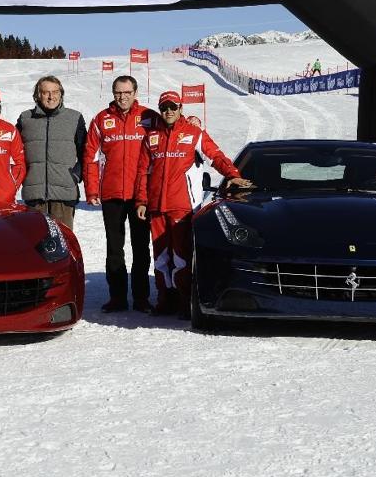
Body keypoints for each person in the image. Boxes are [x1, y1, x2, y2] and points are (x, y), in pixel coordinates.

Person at [135, 91, 252, 318]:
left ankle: (184, 301)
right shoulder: (151, 137)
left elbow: (216, 156)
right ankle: (163, 300)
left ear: (180, 108)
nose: (168, 111)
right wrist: (141, 200)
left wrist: (232, 174)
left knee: (181, 256)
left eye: (173, 107)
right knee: (160, 258)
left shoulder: (193, 132)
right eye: (164, 108)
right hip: (157, 207)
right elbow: (142, 173)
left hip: (183, 206)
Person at [84, 75, 159, 313]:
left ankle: (141, 297)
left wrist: (192, 121)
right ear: (113, 93)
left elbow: (168, 136)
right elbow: (90, 157)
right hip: (112, 194)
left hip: (141, 196)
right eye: (118, 92)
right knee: (114, 248)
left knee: (140, 247)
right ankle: (117, 297)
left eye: (127, 92)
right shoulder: (101, 119)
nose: (122, 97)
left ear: (135, 93)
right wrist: (92, 189)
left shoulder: (149, 117)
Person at [16, 75, 87, 229]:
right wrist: (23, 176)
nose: (51, 96)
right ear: (37, 95)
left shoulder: (74, 118)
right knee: (34, 242)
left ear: (61, 94)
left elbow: (85, 153)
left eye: (55, 92)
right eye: (46, 92)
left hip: (64, 195)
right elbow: (13, 152)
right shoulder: (25, 118)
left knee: (63, 243)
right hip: (34, 195)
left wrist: (75, 176)